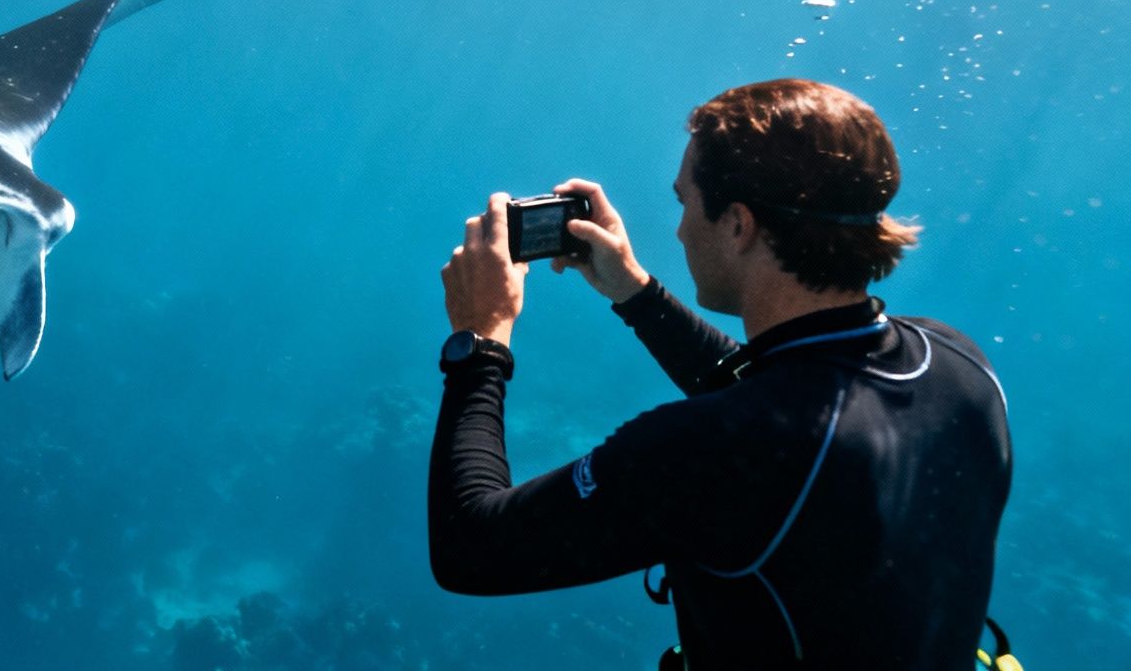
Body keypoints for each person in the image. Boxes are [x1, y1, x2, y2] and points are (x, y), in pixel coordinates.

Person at [429, 79, 1012, 671]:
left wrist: (481, 340)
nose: (680, 229)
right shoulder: (958, 363)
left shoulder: (711, 450)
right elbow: (796, 403)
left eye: (685, 202)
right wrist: (634, 291)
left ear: (738, 224)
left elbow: (470, 548)